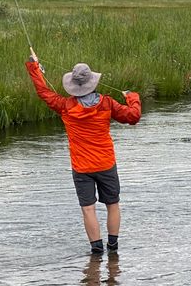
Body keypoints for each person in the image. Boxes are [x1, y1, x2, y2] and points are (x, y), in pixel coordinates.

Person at [25, 51, 141, 254]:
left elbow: (43, 92)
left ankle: (96, 252)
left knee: (88, 209)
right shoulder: (106, 103)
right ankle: (112, 248)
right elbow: (133, 116)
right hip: (106, 164)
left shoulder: (65, 106)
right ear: (92, 82)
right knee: (112, 204)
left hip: (81, 167)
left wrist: (34, 67)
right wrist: (133, 97)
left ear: (73, 85)